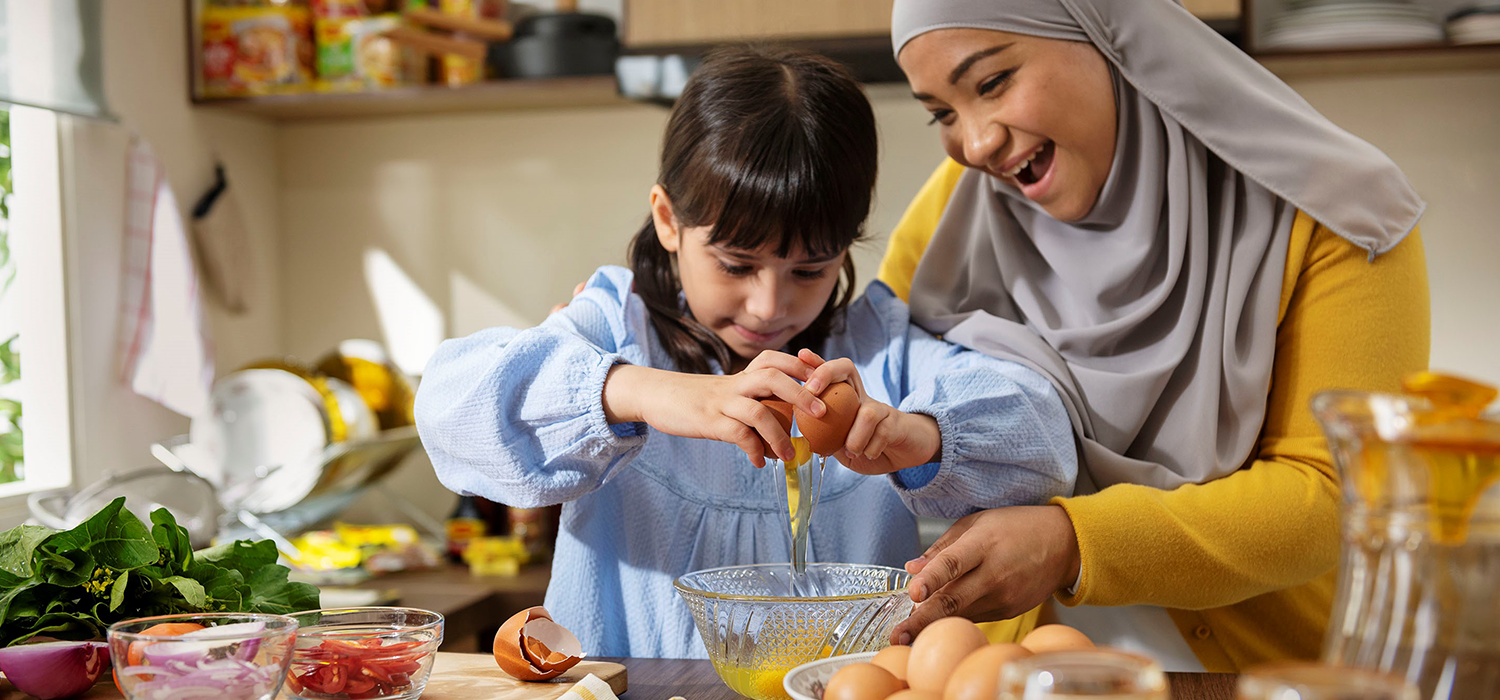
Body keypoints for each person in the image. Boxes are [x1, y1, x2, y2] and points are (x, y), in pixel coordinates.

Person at [414, 46, 1079, 659]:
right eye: (736, 265)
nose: (769, 306)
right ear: (669, 221)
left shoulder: (876, 350)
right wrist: (649, 393)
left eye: (810, 270)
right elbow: (451, 408)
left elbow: (1043, 438)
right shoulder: (617, 326)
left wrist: (921, 435)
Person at [876, 0, 1430, 672]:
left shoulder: (1339, 213)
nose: (976, 143)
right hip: (1018, 677)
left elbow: (1330, 498)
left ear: (1110, 37)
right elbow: (889, 401)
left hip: (1262, 677)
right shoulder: (953, 216)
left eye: (992, 83)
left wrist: (1072, 543)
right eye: (941, 112)